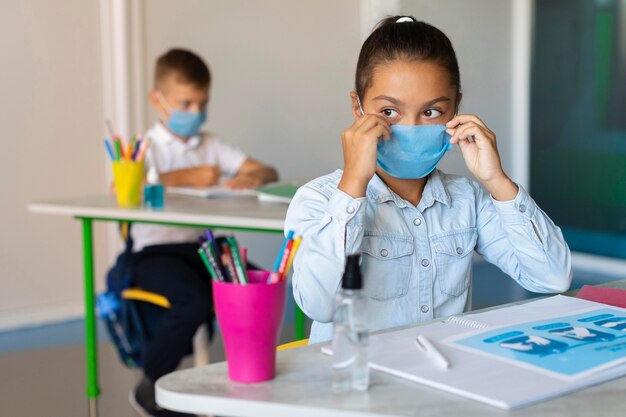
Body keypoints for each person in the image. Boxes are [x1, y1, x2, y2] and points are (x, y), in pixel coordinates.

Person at [284, 16, 572, 344]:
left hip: (443, 381)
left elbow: (553, 277)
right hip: (357, 384)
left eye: (431, 112)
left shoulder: (467, 199)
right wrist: (353, 184)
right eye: (390, 112)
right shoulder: (318, 200)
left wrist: (496, 180)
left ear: (456, 110)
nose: (412, 127)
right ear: (358, 107)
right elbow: (318, 305)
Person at [127, 48, 277, 416]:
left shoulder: (210, 144)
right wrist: (183, 178)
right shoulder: (145, 149)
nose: (195, 112)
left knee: (258, 283)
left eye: (202, 102)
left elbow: (268, 170)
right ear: (157, 101)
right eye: (186, 103)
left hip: (200, 248)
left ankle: (253, 377)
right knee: (193, 300)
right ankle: (151, 383)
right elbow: (125, 193)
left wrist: (251, 176)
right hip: (153, 252)